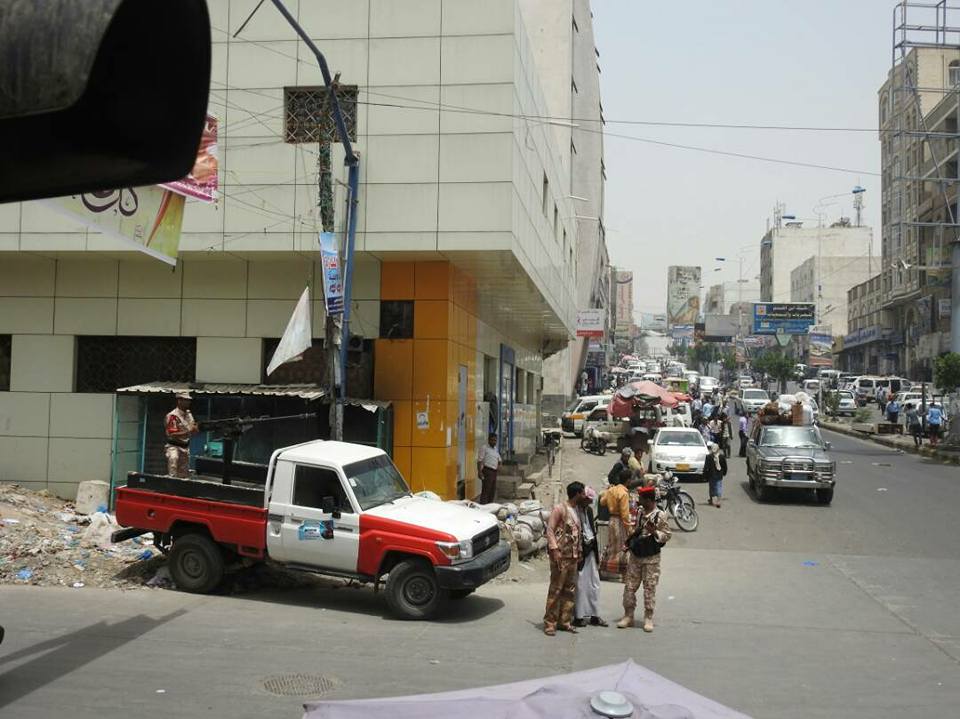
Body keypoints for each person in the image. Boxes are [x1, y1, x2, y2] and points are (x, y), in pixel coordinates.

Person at [618, 486, 671, 632]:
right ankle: (628, 615)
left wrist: (655, 532)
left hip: (651, 558)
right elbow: (637, 531)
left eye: (641, 499)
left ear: (648, 500)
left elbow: (667, 535)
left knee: (649, 588)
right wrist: (629, 543)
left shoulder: (660, 515)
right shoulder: (641, 512)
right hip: (636, 556)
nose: (639, 501)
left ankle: (648, 617)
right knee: (629, 587)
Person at [544, 482, 584, 636]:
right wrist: (554, 549)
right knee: (556, 589)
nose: (584, 496)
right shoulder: (560, 509)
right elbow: (550, 530)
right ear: (577, 494)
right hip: (561, 556)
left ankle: (565, 621)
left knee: (570, 590)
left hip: (573, 557)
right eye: (582, 493)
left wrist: (579, 552)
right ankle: (550, 623)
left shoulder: (577, 510)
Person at [573, 487, 607, 628]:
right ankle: (578, 616)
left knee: (594, 583)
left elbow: (591, 530)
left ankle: (595, 615)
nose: (589, 503)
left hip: (591, 550)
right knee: (580, 584)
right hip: (580, 552)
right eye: (588, 500)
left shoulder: (589, 511)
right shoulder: (574, 511)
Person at [599, 469, 633, 581]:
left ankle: (604, 570)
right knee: (622, 547)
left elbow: (602, 502)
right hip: (619, 522)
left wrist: (608, 491)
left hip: (611, 520)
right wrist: (629, 528)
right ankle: (622, 574)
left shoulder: (612, 490)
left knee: (611, 545)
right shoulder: (624, 493)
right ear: (628, 480)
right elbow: (625, 514)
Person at [164, 392, 198, 478]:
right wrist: (189, 431)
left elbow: (193, 429)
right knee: (173, 466)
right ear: (179, 401)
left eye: (189, 400)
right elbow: (172, 434)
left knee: (184, 473)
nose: (188, 402)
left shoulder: (189, 414)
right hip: (174, 446)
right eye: (186, 400)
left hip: (185, 446)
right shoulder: (173, 415)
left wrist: (196, 429)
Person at [477, 433, 501, 504]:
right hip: (487, 471)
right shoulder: (484, 448)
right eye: (492, 440)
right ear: (489, 440)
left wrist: (498, 467)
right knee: (486, 490)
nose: (494, 442)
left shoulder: (496, 449)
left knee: (492, 491)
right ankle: (483, 506)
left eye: (495, 440)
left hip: (494, 472)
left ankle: (490, 506)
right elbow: (479, 460)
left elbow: (499, 460)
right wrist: (479, 472)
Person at [703, 441, 728, 508]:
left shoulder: (709, 457)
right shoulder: (722, 456)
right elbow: (724, 466)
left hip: (711, 475)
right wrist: (724, 473)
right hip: (719, 475)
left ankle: (711, 499)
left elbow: (706, 467)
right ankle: (718, 500)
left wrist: (704, 475)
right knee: (719, 487)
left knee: (712, 487)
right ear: (718, 449)